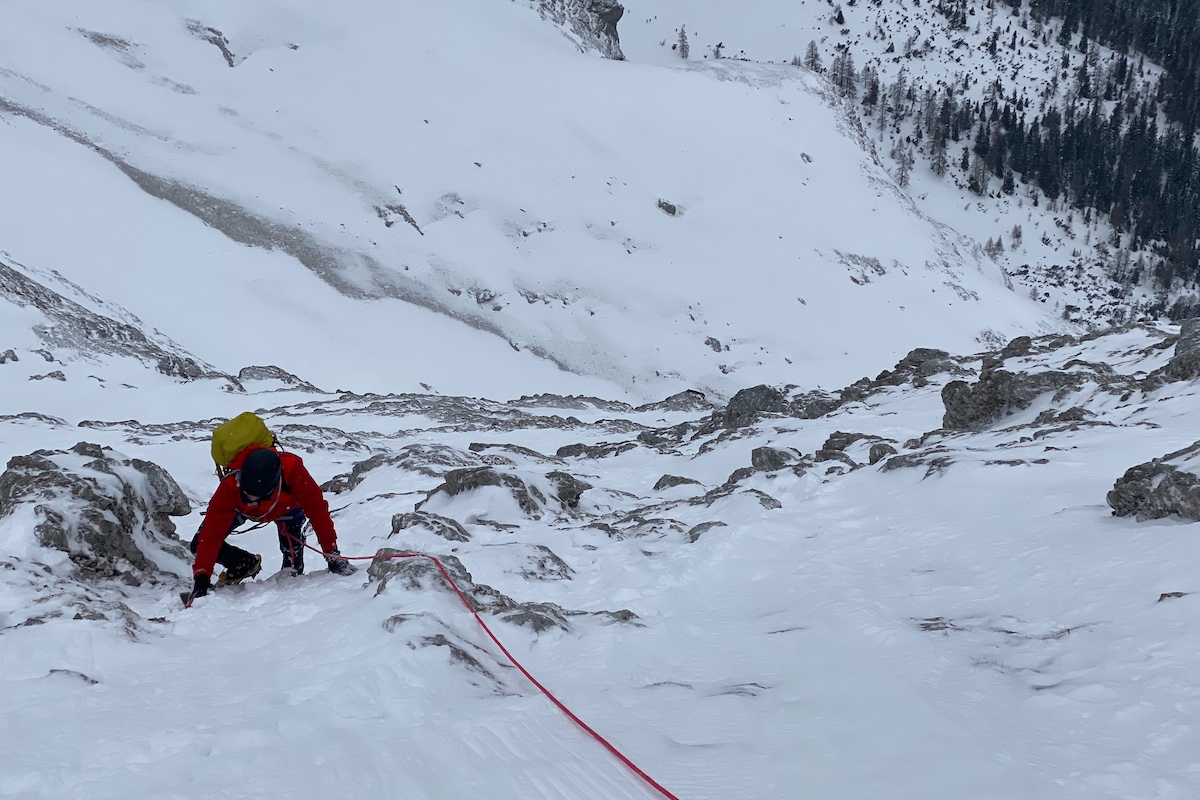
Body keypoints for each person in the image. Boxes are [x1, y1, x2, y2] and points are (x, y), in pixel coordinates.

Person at [187, 445, 356, 602]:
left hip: (287, 510)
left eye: (257, 495)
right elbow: (211, 535)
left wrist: (331, 553)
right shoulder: (230, 486)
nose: (251, 498)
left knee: (292, 574)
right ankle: (243, 563)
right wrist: (201, 579)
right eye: (247, 493)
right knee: (198, 544)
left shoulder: (292, 470)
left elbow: (317, 511)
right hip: (240, 510)